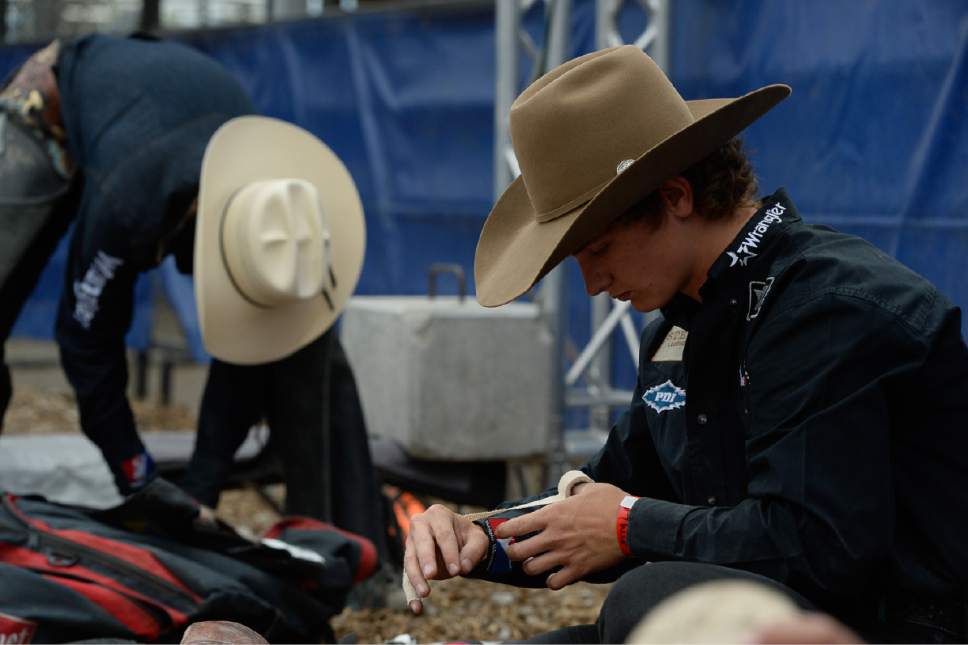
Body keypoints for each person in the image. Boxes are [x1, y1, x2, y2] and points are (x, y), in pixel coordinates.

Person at [404, 45, 968, 643]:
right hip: (782, 615)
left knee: (649, 600)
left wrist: (628, 525)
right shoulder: (685, 325)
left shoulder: (825, 307)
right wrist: (479, 538)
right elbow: (607, 492)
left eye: (596, 249)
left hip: (896, 627)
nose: (592, 283)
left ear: (676, 197)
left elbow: (818, 548)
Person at [0, 35, 388, 561]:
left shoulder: (281, 211)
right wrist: (136, 473)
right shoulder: (127, 205)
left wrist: (196, 495)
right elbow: (84, 341)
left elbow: (244, 358)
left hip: (160, 112)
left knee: (292, 331)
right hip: (53, 96)